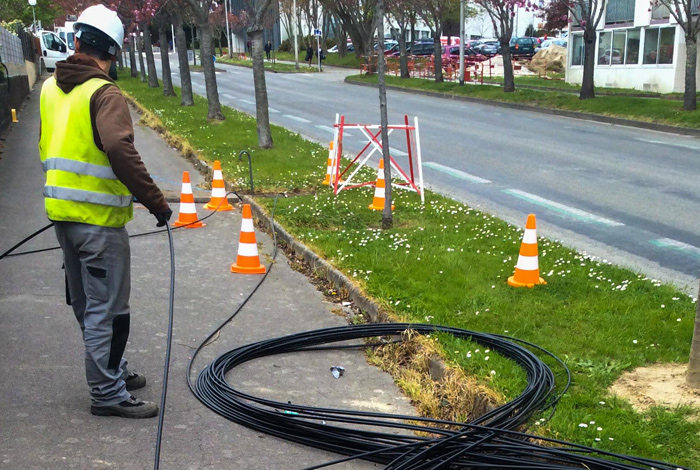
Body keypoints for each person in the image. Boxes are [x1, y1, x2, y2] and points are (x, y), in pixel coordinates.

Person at [38, 4, 172, 419]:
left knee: (87, 304)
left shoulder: (49, 88)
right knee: (108, 310)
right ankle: (108, 392)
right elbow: (118, 148)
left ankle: (113, 369)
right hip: (99, 224)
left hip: (63, 216)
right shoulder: (104, 92)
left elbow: (48, 147)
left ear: (76, 41)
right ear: (112, 51)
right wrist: (156, 203)